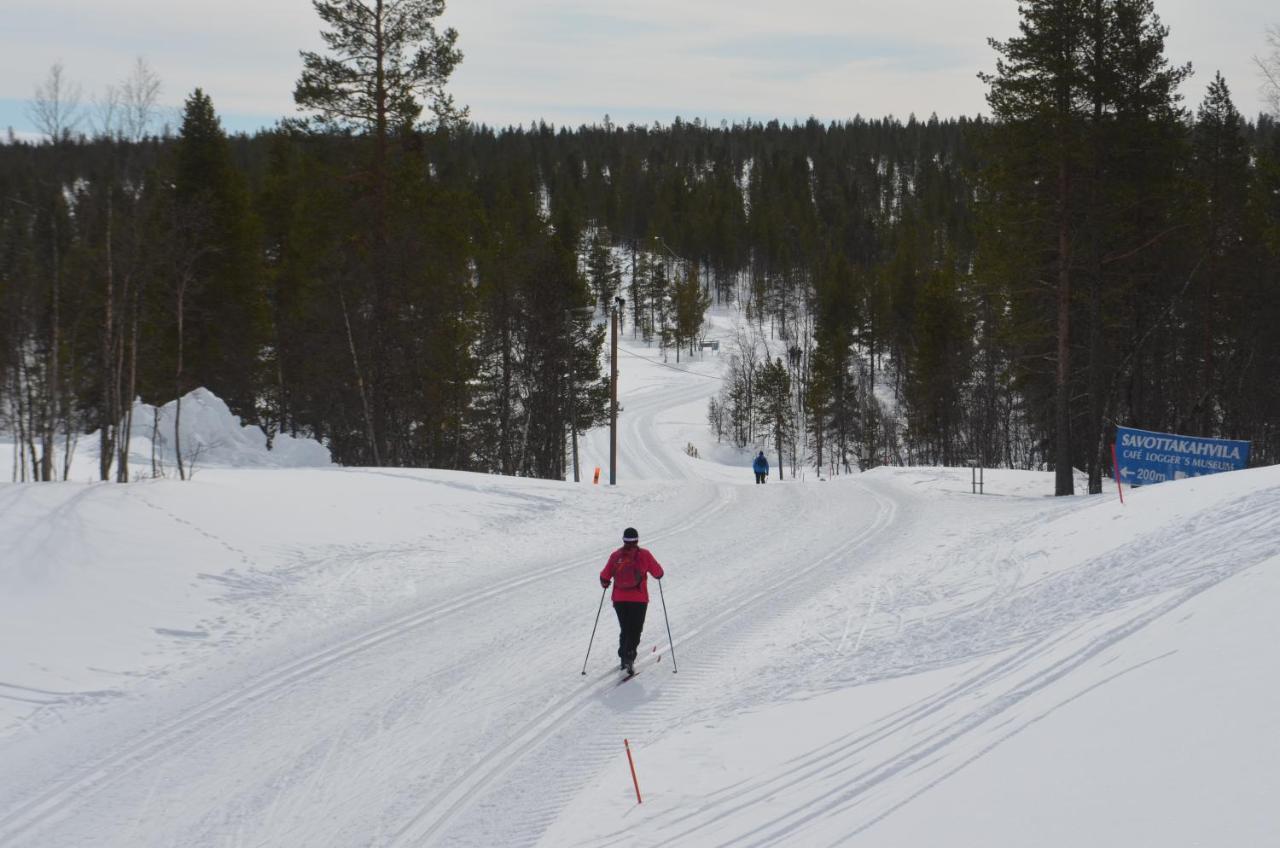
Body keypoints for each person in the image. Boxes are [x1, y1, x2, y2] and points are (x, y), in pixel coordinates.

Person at [599, 527, 664, 674]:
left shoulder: (615, 556)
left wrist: (605, 583)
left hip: (619, 600)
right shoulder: (644, 555)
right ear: (637, 540)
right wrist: (658, 575)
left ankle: (623, 656)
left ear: (623, 539)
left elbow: (604, 577)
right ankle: (629, 656)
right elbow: (658, 573)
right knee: (635, 629)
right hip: (639, 599)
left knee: (625, 628)